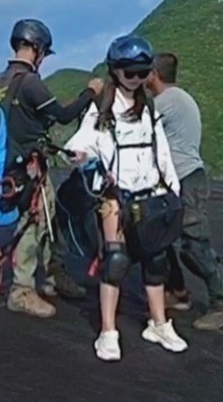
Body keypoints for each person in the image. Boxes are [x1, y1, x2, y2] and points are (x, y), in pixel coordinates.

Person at [65, 35, 188, 361]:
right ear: (116, 71)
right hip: (115, 196)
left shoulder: (147, 109)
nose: (135, 78)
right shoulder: (102, 108)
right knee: (116, 260)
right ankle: (108, 331)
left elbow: (161, 150)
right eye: (129, 72)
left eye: (141, 72)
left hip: (151, 192)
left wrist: (173, 189)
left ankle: (159, 323)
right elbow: (83, 141)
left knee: (156, 258)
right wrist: (78, 155)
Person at [0, 18, 102, 318]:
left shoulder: (2, 80)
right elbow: (65, 115)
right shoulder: (29, 82)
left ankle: (55, 275)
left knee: (49, 219)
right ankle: (22, 291)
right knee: (32, 223)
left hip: (15, 166)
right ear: (38, 49)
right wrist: (90, 92)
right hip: (26, 169)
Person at [147, 52, 223, 330]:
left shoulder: (166, 102)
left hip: (186, 179)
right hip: (178, 181)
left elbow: (134, 127)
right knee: (161, 237)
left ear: (153, 73)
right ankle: (178, 292)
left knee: (195, 243)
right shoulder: (179, 98)